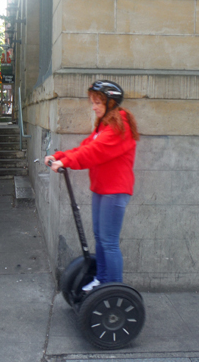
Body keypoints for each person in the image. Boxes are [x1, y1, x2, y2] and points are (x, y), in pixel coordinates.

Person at [44, 80, 139, 292]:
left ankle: (113, 290)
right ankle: (102, 279)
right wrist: (59, 156)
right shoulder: (104, 125)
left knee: (109, 242)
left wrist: (65, 162)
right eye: (93, 102)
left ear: (111, 103)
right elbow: (86, 146)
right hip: (102, 189)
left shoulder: (118, 126)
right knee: (101, 238)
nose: (93, 106)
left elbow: (94, 152)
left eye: (98, 102)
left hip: (115, 191)